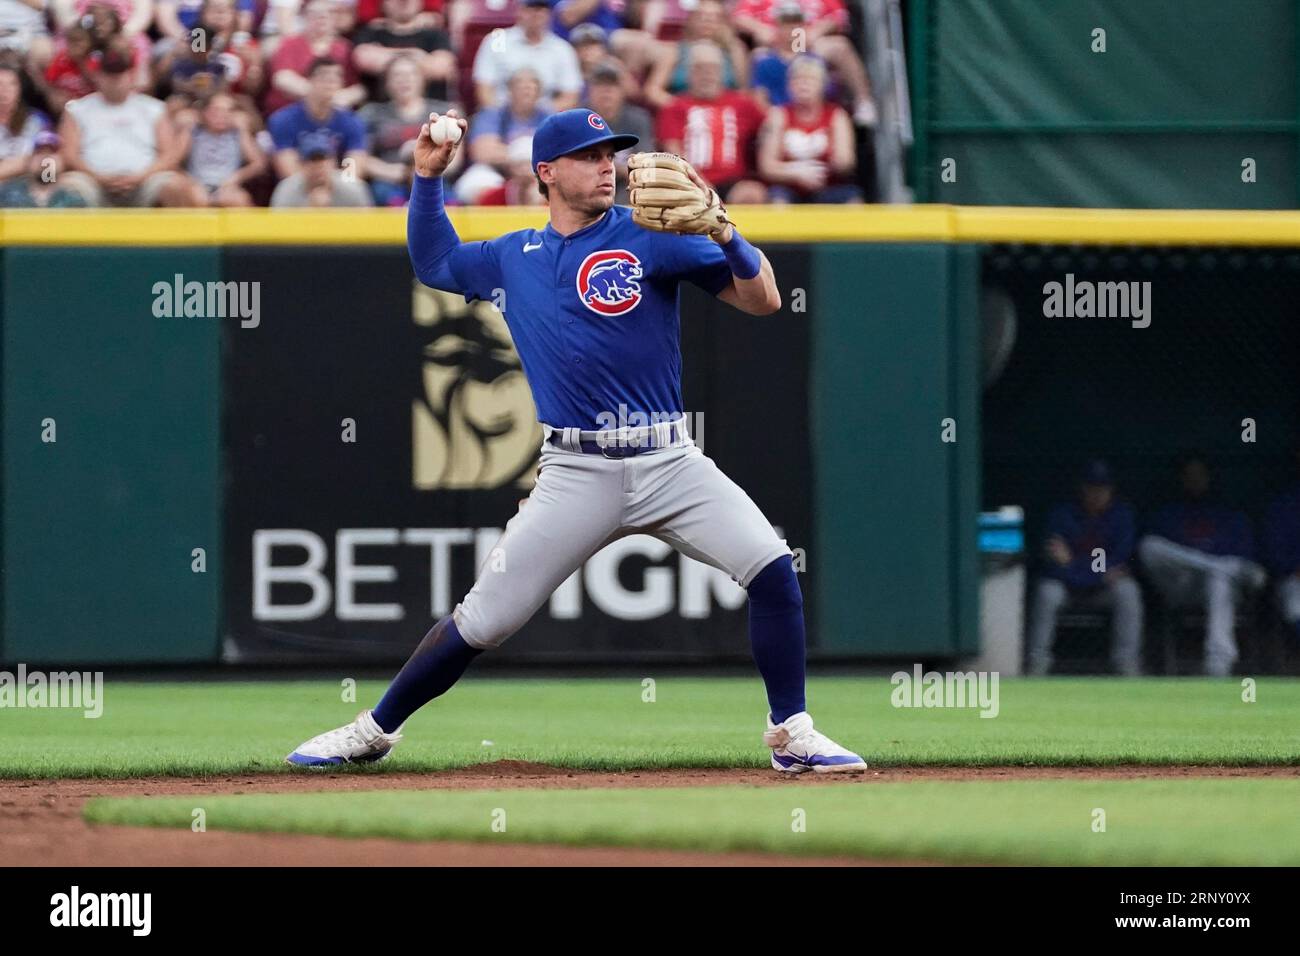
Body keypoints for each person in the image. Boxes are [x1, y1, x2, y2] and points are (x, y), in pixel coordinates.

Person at [286, 106, 868, 775]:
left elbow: (763, 299)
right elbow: (437, 261)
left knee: (771, 569)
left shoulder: (652, 235)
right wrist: (426, 179)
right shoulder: (514, 255)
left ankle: (791, 733)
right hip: (575, 472)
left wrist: (727, 232)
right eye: (590, 155)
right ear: (546, 172)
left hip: (667, 459)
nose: (607, 166)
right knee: (483, 623)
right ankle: (373, 730)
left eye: (610, 154)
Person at [1137, 455, 1266, 676]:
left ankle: (1218, 665)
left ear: (1209, 478)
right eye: (1189, 476)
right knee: (1149, 545)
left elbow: (1246, 566)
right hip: (1183, 586)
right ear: (1181, 479)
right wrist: (1208, 564)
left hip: (1223, 587)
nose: (1195, 480)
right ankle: (1212, 565)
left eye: (1200, 475)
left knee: (1222, 580)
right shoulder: (1168, 514)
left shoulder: (1230, 514)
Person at [1026, 460, 1144, 676]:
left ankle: (1127, 667)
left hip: (1101, 591)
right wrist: (1095, 572)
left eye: (1103, 488)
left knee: (1128, 591)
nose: (1097, 493)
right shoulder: (1061, 515)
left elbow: (1120, 560)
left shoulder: (1122, 516)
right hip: (1066, 589)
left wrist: (1072, 564)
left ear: (1111, 489)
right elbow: (1053, 565)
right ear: (1082, 488)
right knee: (1046, 592)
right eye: (1092, 487)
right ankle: (1037, 666)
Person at [58, 46, 205, 206]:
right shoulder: (77, 109)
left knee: (175, 186)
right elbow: (70, 155)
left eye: (120, 75)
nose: (115, 81)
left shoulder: (153, 108)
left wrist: (140, 177)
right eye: (109, 75)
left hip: (144, 180)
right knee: (67, 186)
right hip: (93, 181)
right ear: (98, 76)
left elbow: (168, 154)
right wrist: (98, 177)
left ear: (130, 75)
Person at [656, 40, 767, 203]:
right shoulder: (675, 107)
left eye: (713, 69)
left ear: (723, 73)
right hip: (689, 180)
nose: (707, 75)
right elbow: (674, 153)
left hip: (734, 182)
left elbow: (771, 125)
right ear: (689, 73)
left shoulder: (743, 104)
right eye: (700, 69)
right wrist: (699, 182)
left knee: (752, 194)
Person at [732, 0, 876, 126]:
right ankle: (747, 106)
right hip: (774, 42)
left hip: (806, 42)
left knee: (839, 46)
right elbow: (738, 17)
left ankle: (863, 102)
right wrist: (759, 28)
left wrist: (817, 30)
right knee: (758, 54)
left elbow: (839, 16)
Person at [756, 54, 859, 203]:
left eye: (810, 80)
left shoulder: (837, 115)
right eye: (798, 80)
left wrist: (838, 162)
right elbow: (767, 166)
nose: (803, 85)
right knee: (777, 199)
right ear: (789, 85)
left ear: (823, 85)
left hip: (828, 185)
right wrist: (796, 172)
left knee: (852, 199)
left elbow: (846, 161)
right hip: (787, 187)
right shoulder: (778, 115)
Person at [359, 51, 454, 205]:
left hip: (434, 176)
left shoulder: (441, 112)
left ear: (422, 79)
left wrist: (428, 170)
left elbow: (456, 155)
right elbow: (360, 157)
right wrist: (396, 172)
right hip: (389, 179)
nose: (404, 80)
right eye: (397, 76)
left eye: (411, 75)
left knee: (448, 197)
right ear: (387, 82)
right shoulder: (371, 114)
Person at [265, 56, 367, 182]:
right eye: (324, 76)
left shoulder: (352, 121)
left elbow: (354, 164)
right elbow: (288, 169)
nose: (331, 81)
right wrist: (315, 185)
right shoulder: (283, 119)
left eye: (337, 77)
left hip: (336, 183)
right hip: (297, 185)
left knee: (355, 190)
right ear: (309, 80)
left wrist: (341, 184)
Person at [470, 0, 582, 112]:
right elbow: (484, 89)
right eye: (531, 8)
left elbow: (570, 97)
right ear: (520, 10)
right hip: (500, 115)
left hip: (545, 117)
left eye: (542, 9)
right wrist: (505, 117)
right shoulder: (497, 39)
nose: (536, 14)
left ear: (549, 14)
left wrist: (538, 117)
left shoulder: (562, 48)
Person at [642, 0, 746, 111]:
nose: (707, 21)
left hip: (723, 114)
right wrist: (681, 107)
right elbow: (653, 90)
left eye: (714, 17)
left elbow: (743, 92)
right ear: (690, 20)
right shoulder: (674, 51)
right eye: (701, 16)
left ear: (722, 22)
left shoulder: (734, 51)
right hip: (682, 113)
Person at [264, 0, 364, 113]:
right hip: (291, 110)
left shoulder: (345, 48)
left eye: (329, 13)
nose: (322, 18)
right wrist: (319, 95)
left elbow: (358, 88)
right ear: (304, 17)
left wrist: (344, 97)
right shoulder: (290, 44)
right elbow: (282, 78)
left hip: (332, 114)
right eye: (315, 14)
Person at [351, 0, 455, 103]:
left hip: (430, 112)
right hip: (379, 112)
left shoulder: (436, 34)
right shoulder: (371, 32)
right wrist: (418, 55)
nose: (404, 2)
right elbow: (363, 59)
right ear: (383, 3)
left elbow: (441, 67)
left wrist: (384, 55)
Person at [581, 56, 650, 204]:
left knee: (640, 187)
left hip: (625, 187)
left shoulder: (638, 119)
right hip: (588, 188)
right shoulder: (580, 119)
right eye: (600, 84)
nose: (606, 91)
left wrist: (612, 169)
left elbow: (646, 167)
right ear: (590, 90)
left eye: (612, 85)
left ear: (622, 90)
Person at [180, 90, 266, 205]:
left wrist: (237, 177)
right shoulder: (195, 131)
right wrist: (189, 181)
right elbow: (174, 161)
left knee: (240, 199)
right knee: (196, 198)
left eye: (228, 111)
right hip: (196, 183)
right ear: (205, 112)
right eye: (216, 110)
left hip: (227, 185)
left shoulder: (237, 134)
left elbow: (258, 164)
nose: (222, 115)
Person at [270, 128, 374, 205]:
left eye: (323, 160)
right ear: (301, 165)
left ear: (333, 162)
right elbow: (276, 230)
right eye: (311, 161)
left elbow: (368, 227)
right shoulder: (287, 190)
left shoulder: (353, 189)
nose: (318, 166)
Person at [1263, 446, 1300, 644]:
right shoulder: (1285, 505)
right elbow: (1274, 554)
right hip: (1294, 580)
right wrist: (1294, 567)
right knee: (1295, 601)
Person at [0, 129, 88, 205]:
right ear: (28, 160)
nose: (45, 159)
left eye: (51, 153)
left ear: (61, 161)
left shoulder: (74, 200)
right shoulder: (7, 196)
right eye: (39, 153)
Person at [0, 62, 47, 184]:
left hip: (27, 183)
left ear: (20, 88)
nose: (4, 91)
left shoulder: (36, 120)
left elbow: (48, 163)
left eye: (12, 84)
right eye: (0, 84)